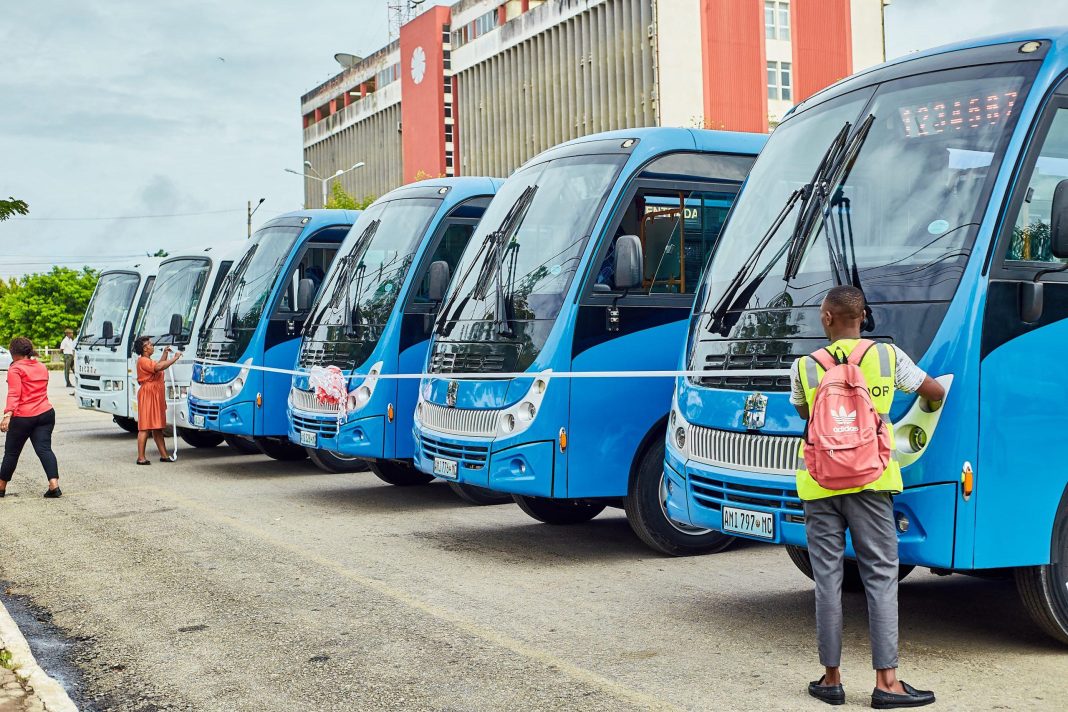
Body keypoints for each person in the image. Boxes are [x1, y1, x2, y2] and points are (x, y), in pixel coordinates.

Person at [791, 286, 944, 709]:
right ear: (863, 317)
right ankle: (887, 683)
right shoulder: (888, 357)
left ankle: (831, 680)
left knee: (827, 579)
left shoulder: (805, 366)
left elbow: (805, 413)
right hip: (872, 481)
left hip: (819, 484)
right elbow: (934, 391)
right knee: (880, 576)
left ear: (827, 317)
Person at [1, 338, 61, 498]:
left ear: (13, 353)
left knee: (11, 453)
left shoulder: (15, 368)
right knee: (44, 449)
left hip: (23, 417)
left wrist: (7, 415)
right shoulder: (41, 366)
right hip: (45, 413)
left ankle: (1, 487)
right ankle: (54, 485)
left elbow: (14, 394)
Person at [133, 336, 181, 465]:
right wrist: (174, 358)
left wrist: (165, 354)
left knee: (157, 427)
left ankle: (164, 455)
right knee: (145, 427)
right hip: (148, 395)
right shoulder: (143, 361)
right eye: (149, 344)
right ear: (144, 349)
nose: (152, 345)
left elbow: (158, 365)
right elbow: (159, 367)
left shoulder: (148, 361)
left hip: (154, 394)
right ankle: (141, 457)